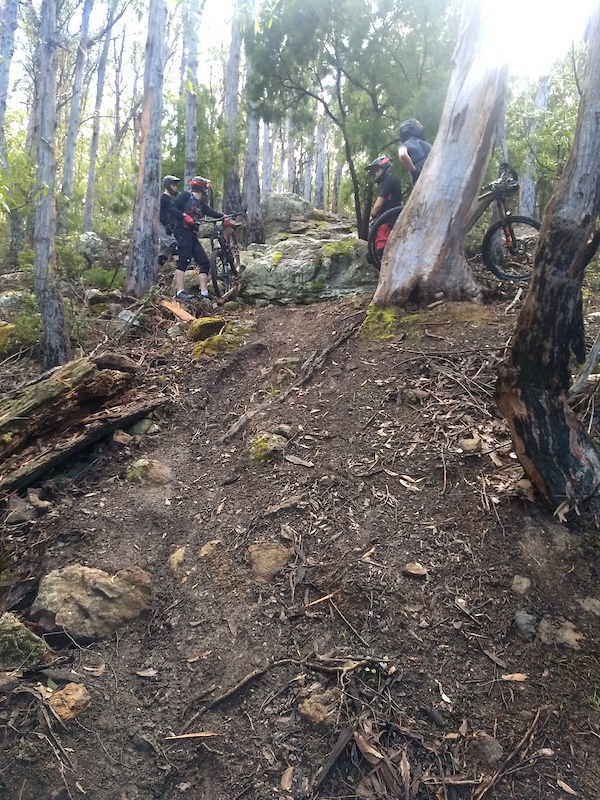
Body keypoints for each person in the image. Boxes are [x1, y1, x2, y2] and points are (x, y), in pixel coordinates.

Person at [169, 175, 224, 301]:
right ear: (202, 188)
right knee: (183, 260)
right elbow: (172, 207)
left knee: (204, 263)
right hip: (181, 230)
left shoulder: (201, 204)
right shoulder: (185, 196)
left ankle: (204, 293)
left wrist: (226, 217)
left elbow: (214, 213)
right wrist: (184, 216)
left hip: (192, 234)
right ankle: (180, 292)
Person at [366, 155, 402, 264]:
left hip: (386, 222)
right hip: (390, 220)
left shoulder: (388, 181)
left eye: (376, 171)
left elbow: (377, 205)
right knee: (374, 255)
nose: (375, 174)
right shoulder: (393, 181)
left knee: (382, 252)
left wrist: (373, 214)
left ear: (383, 167)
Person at [397, 118, 432, 186]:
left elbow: (402, 155)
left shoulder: (405, 145)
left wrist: (414, 171)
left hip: (422, 182)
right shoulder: (428, 144)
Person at [158, 176, 180, 268]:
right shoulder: (162, 198)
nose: (175, 187)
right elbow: (158, 212)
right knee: (173, 244)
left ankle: (151, 276)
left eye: (175, 185)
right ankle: (182, 266)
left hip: (168, 226)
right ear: (167, 186)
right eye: (173, 185)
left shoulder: (171, 200)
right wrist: (166, 224)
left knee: (164, 254)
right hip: (161, 224)